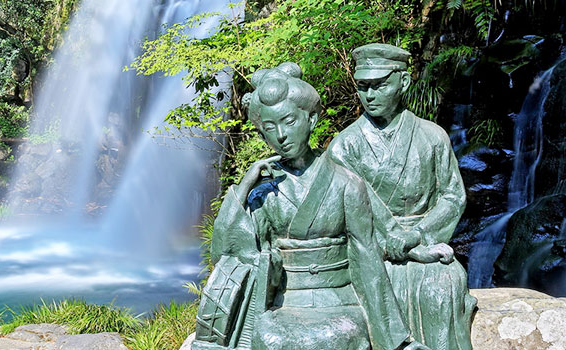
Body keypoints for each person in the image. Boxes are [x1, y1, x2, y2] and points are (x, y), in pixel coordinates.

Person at [193, 63, 424, 350]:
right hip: (284, 301)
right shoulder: (263, 189)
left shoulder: (346, 184)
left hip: (338, 299)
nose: (280, 135)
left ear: (311, 120)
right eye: (269, 127)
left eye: (289, 122)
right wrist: (243, 189)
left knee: (335, 337)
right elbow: (225, 254)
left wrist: (394, 339)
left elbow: (367, 261)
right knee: (269, 338)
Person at [327, 43, 475, 350]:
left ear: (404, 82)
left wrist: (418, 235)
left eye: (380, 86)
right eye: (363, 87)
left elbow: (452, 196)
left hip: (426, 241)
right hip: (370, 251)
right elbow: (346, 209)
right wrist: (392, 242)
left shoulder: (432, 136)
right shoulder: (343, 147)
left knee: (439, 289)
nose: (370, 96)